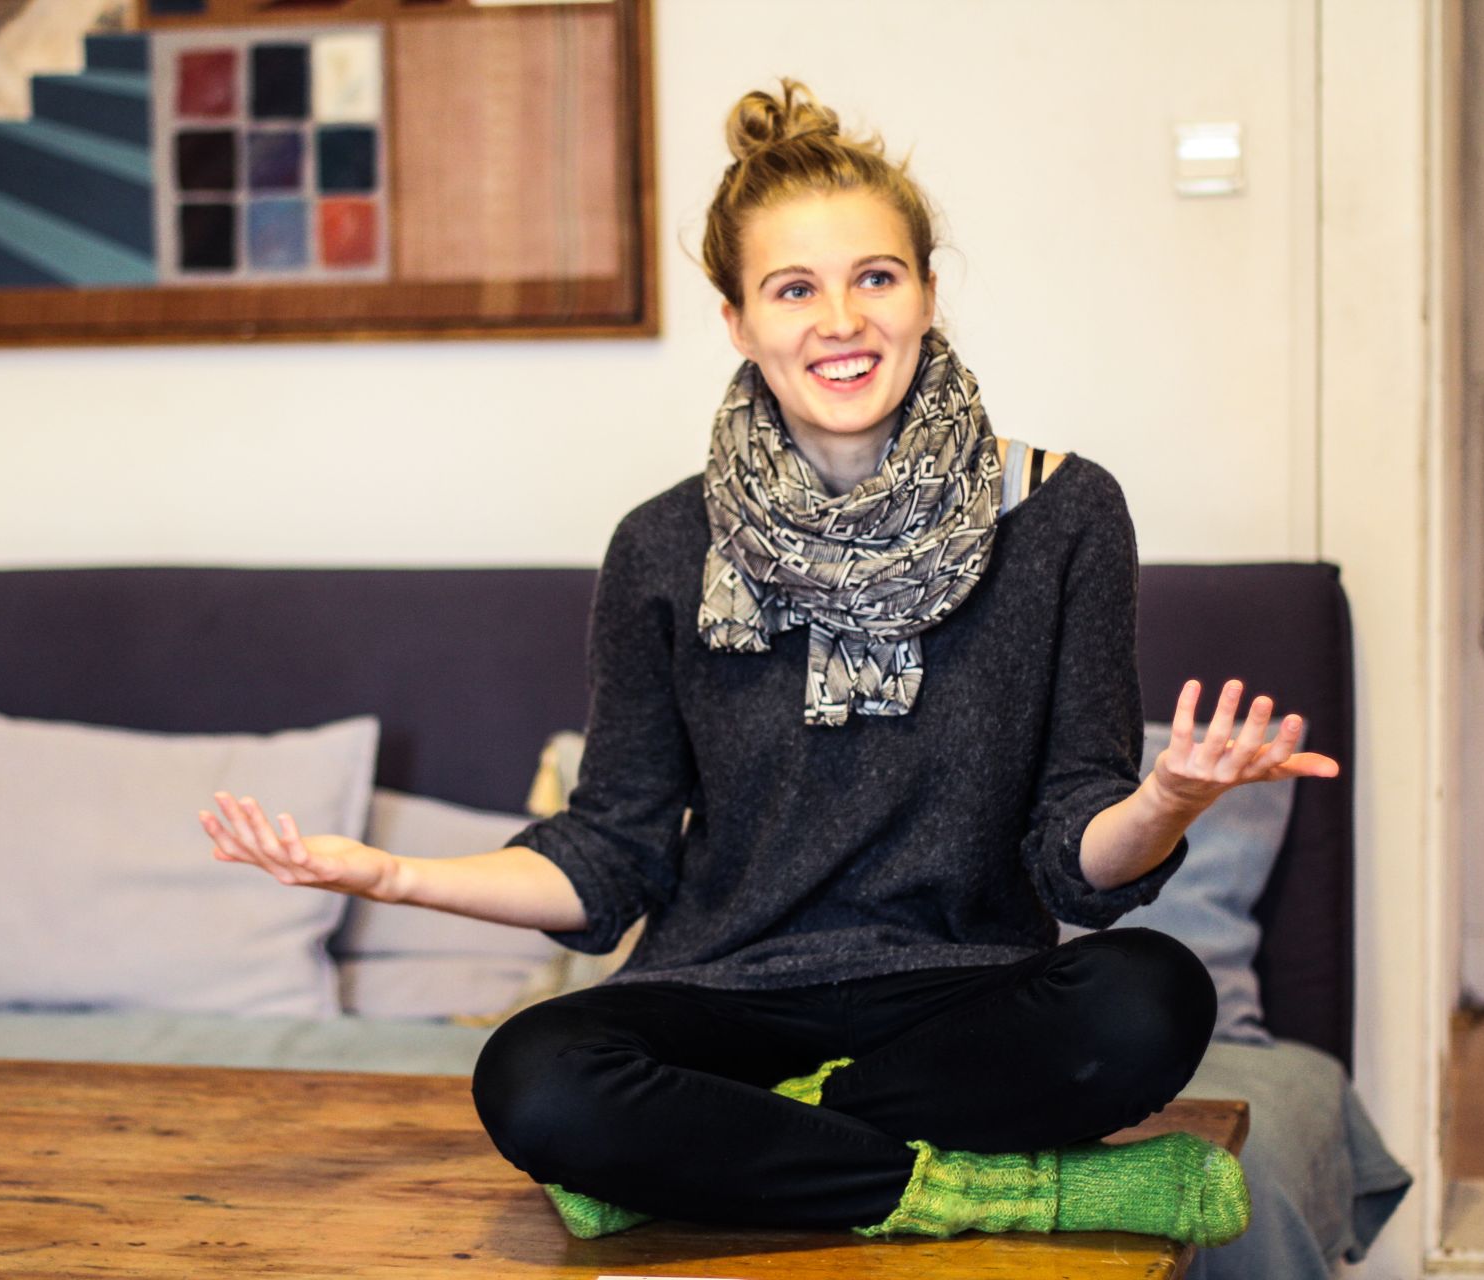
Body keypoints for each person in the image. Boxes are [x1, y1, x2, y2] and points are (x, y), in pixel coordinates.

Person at [197, 80, 1339, 1249]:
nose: (840, 319)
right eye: (794, 288)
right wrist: (393, 875)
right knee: (534, 1076)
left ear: (927, 292)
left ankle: (724, 1149)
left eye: (874, 277)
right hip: (721, 996)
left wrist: (1165, 800)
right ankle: (989, 1188)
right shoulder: (663, 543)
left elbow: (1075, 858)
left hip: (958, 994)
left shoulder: (1062, 513)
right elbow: (612, 854)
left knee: (1150, 998)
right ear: (739, 320)